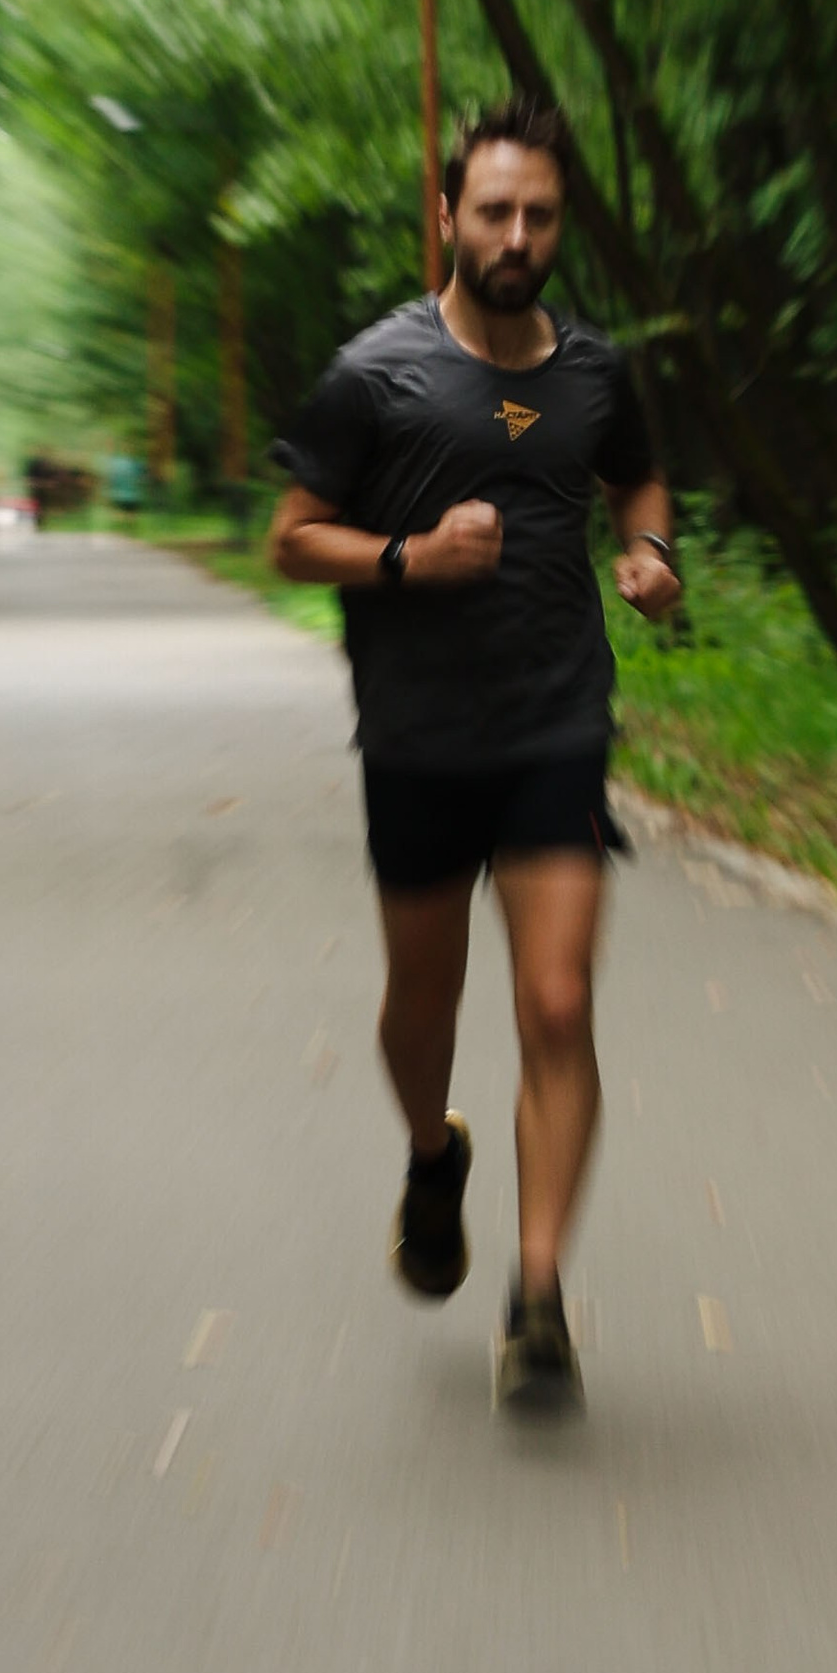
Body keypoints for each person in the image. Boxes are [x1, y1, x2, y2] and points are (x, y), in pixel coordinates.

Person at [268, 90, 682, 1413]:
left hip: (556, 719)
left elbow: (639, 475)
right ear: (449, 214)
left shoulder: (593, 371)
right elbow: (289, 537)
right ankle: (429, 1152)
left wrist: (653, 553)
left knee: (558, 1004)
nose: (515, 233)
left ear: (561, 227)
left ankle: (540, 1295)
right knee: (423, 1015)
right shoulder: (375, 372)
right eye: (494, 209)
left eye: (540, 214)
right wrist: (409, 558)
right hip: (419, 735)